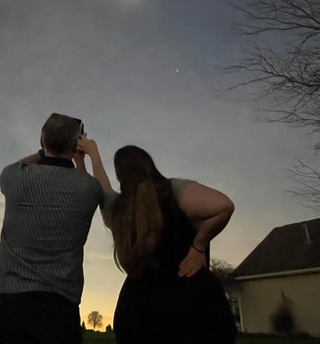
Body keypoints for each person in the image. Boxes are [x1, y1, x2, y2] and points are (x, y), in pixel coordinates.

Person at [78, 137, 237, 344]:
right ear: (148, 164)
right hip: (194, 305)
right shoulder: (173, 191)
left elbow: (102, 189)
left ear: (120, 174)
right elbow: (223, 206)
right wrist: (198, 246)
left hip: (141, 312)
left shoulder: (118, 209)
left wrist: (89, 156)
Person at [0, 113, 112, 344]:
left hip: (8, 306)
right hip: (59, 310)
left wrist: (46, 149)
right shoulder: (89, 188)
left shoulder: (12, 176)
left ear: (42, 140)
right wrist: (90, 156)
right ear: (76, 144)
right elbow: (107, 201)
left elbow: (22, 163)